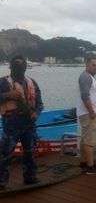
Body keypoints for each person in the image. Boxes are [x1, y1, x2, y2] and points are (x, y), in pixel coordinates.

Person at [0, 55, 43, 189]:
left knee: (30, 152)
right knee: (5, 154)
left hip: (29, 124)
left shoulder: (32, 83)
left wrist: (36, 112)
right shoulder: (2, 82)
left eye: (21, 66)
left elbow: (39, 104)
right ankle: (1, 182)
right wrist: (7, 95)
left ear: (25, 67)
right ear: (11, 67)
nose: (19, 69)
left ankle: (30, 177)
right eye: (16, 66)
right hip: (11, 124)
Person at [76, 56, 96, 174]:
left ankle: (83, 162)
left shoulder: (89, 77)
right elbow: (85, 96)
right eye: (94, 65)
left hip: (87, 113)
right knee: (90, 141)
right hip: (89, 113)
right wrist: (92, 111)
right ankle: (90, 167)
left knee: (85, 139)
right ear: (87, 65)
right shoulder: (86, 77)